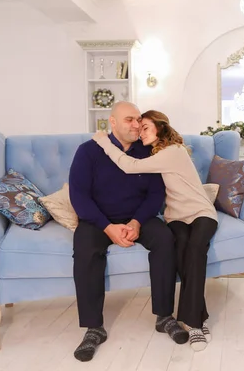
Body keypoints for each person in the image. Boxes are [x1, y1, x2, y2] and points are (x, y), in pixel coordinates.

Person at [69, 102, 188, 362]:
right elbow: (79, 196)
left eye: (138, 120)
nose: (136, 125)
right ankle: (93, 328)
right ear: (112, 122)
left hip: (138, 218)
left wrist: (136, 222)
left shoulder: (147, 152)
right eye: (129, 120)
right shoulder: (88, 151)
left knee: (165, 239)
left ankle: (164, 316)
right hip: (98, 220)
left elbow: (156, 194)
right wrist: (108, 228)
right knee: (85, 248)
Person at [92, 110, 218, 352]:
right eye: (140, 129)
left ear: (160, 128)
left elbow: (129, 166)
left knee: (195, 251)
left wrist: (103, 141)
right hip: (176, 217)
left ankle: (193, 324)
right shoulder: (156, 152)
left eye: (146, 127)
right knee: (180, 251)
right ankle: (197, 317)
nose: (141, 132)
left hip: (201, 213)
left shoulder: (173, 152)